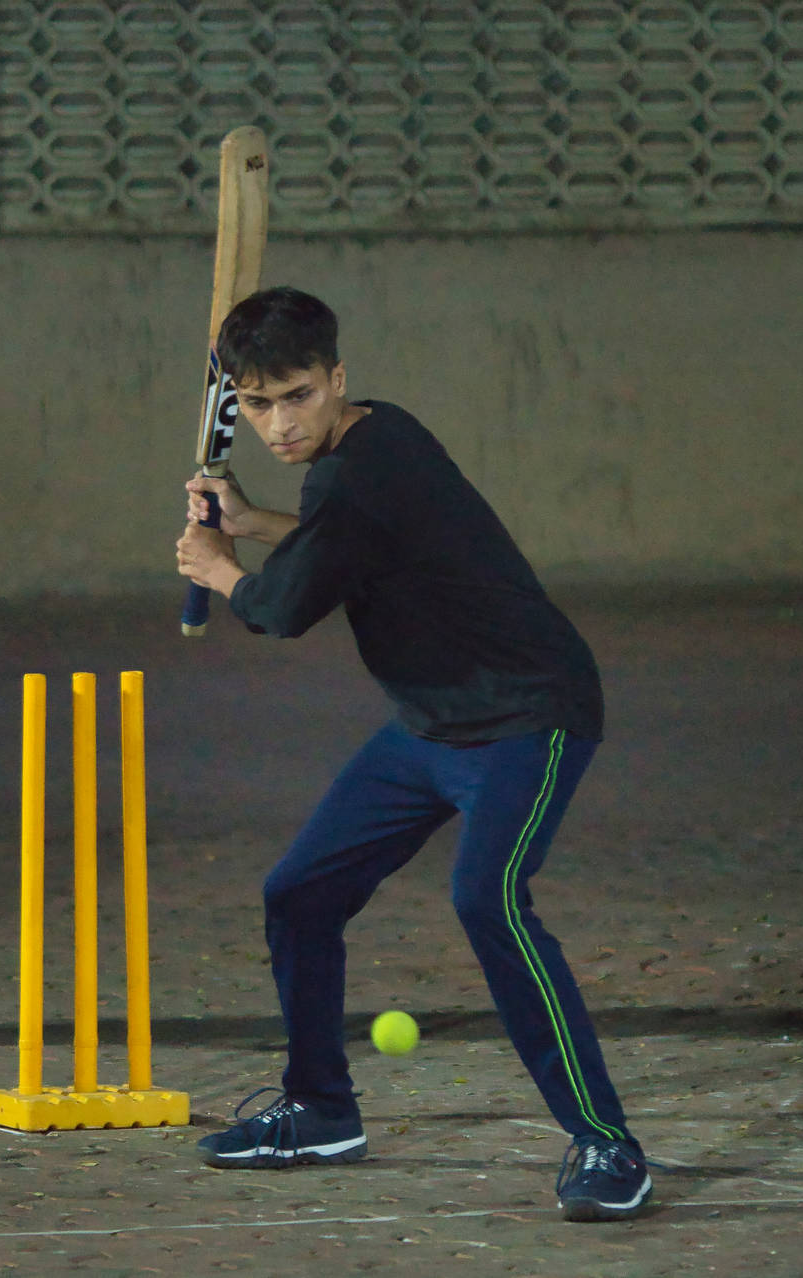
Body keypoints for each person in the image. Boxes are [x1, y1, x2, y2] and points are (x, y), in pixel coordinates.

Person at [174, 288, 650, 1222]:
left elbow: (281, 609)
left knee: (488, 896)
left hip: (528, 717)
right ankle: (318, 1109)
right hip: (427, 726)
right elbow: (348, 546)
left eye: (298, 396)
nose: (279, 423)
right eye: (258, 404)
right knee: (299, 892)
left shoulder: (359, 470)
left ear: (337, 379)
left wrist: (217, 568)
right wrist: (248, 519)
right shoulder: (376, 437)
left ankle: (607, 1144)